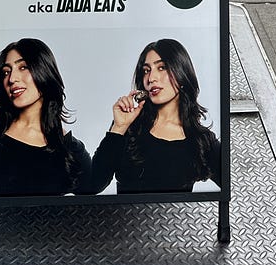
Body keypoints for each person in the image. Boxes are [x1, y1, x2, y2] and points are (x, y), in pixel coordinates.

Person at [0, 38, 92, 197]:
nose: (12, 79)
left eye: (23, 67)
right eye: (6, 72)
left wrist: (116, 129)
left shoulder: (67, 147)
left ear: (44, 71)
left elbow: (93, 191)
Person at [90, 38, 221, 194]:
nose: (151, 78)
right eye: (146, 70)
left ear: (181, 73)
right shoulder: (130, 126)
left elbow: (232, 184)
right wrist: (118, 128)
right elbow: (93, 185)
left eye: (162, 67)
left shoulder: (201, 140)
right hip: (126, 211)